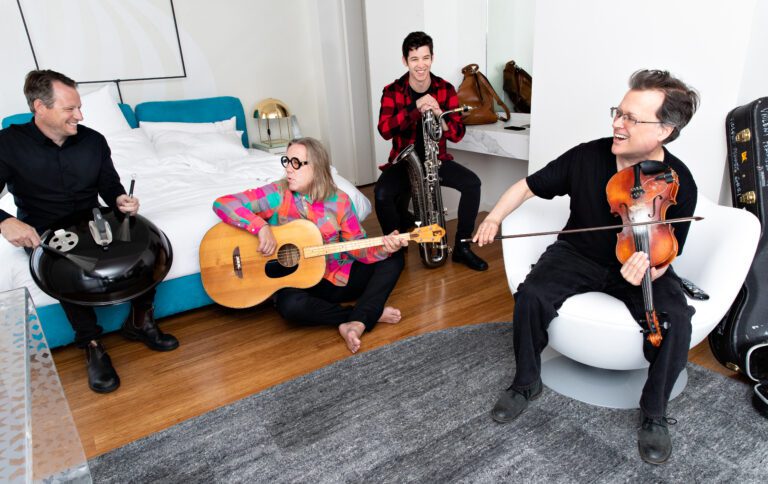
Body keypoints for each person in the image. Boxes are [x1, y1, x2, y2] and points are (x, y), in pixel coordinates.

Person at [473, 69, 700, 465]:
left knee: (676, 318)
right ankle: (526, 382)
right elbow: (526, 186)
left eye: (631, 118)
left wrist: (650, 270)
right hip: (577, 253)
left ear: (664, 130)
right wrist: (494, 218)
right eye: (619, 111)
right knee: (532, 295)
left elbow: (669, 252)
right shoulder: (587, 156)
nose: (617, 123)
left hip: (638, 265)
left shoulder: (679, 183)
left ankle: (655, 413)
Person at [0, 70, 179, 394]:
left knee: (147, 244)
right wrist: (4, 220)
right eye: (70, 109)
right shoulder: (8, 144)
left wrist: (120, 199)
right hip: (45, 229)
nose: (79, 115)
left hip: (93, 219)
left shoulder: (93, 140)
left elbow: (109, 186)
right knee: (69, 265)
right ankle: (92, 343)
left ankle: (140, 320)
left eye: (79, 107)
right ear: (40, 107)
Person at [212, 137, 407, 354]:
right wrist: (261, 227)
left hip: (336, 277)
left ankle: (359, 318)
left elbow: (356, 248)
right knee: (291, 307)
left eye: (296, 163)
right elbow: (223, 203)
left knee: (395, 259)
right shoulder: (277, 193)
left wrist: (384, 248)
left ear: (316, 167)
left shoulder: (340, 201)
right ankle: (364, 315)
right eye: (286, 161)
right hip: (299, 282)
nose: (288, 169)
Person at [375, 31, 488, 271]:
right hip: (404, 162)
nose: (421, 65)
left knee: (472, 184)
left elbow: (457, 134)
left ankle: (462, 247)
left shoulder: (445, 89)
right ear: (405, 60)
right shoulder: (393, 90)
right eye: (414, 59)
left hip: (436, 161)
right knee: (382, 193)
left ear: (432, 58)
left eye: (425, 58)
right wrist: (414, 110)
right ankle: (394, 251)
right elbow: (384, 130)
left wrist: (439, 114)